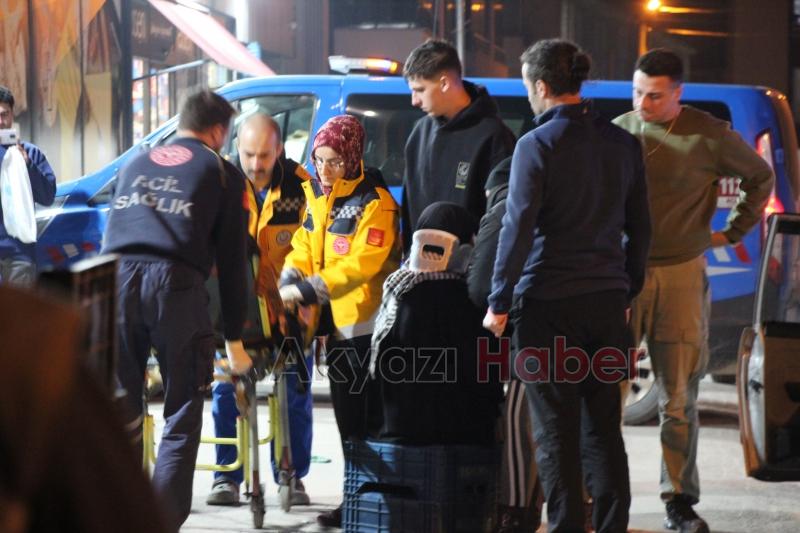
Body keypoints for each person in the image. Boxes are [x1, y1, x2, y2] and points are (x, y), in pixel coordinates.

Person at [484, 39, 651, 533]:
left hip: (547, 307)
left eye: (527, 88)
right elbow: (641, 228)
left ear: (541, 87)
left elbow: (516, 229)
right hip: (605, 305)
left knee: (555, 432)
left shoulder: (535, 145)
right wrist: (627, 289)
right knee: (603, 428)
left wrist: (498, 301)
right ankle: (612, 525)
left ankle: (565, 528)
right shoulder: (623, 143)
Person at [612, 48, 774, 533]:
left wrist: (735, 231)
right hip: (623, 277)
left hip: (682, 275)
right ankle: (598, 498)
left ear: (678, 94)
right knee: (604, 396)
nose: (644, 102)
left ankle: (678, 501)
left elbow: (760, 177)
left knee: (679, 396)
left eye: (655, 96)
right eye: (638, 92)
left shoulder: (707, 134)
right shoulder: (619, 132)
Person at [102, 89, 253, 530]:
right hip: (175, 285)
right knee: (182, 413)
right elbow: (232, 264)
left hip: (117, 280)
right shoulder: (223, 174)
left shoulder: (136, 161)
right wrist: (235, 340)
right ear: (219, 131)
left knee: (122, 409)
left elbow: (114, 224)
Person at [279, 114, 400, 528]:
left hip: (362, 330)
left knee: (365, 422)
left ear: (352, 156)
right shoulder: (316, 192)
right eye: (319, 160)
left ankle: (369, 503)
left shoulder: (375, 202)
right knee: (348, 421)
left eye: (334, 161)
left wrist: (312, 287)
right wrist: (292, 271)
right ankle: (355, 500)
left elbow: (362, 266)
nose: (325, 170)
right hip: (331, 328)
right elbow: (303, 241)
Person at [206, 113, 314, 506]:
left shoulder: (302, 185)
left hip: (287, 315)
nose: (255, 164)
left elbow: (314, 247)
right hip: (232, 314)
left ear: (280, 150)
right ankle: (227, 476)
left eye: (264, 155)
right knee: (227, 391)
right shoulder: (220, 183)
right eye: (249, 154)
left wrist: (305, 296)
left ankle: (291, 474)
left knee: (293, 391)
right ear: (237, 147)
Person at [371, 201, 502, 446]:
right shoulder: (466, 300)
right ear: (464, 251)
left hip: (398, 432)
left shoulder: (397, 289)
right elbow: (483, 377)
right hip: (459, 437)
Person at [467, 157, 543, 533]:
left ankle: (514, 512)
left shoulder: (504, 206)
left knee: (517, 420)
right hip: (589, 322)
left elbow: (481, 284)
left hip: (533, 332)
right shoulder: (568, 194)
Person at [401, 38, 515, 251]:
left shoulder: (494, 136)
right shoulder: (419, 132)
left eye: (420, 90)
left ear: (444, 83)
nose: (414, 101)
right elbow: (408, 209)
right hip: (419, 269)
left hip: (467, 272)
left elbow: (502, 216)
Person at [0, 85, 56, 287]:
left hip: (20, 254)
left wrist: (28, 166)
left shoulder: (31, 153)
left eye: (4, 114)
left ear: (12, 114)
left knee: (18, 318)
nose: (0, 122)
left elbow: (48, 196)